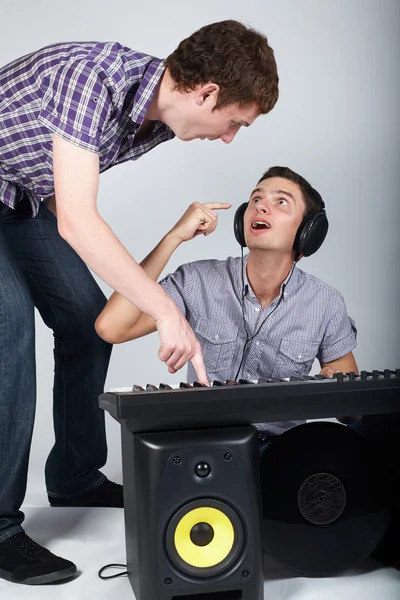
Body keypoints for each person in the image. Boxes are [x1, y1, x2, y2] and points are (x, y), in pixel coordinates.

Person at [0, 21, 279, 585]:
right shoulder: (91, 79)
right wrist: (167, 311)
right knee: (9, 334)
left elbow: (60, 188)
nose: (228, 138)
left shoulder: (153, 122)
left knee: (86, 320)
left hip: (21, 198)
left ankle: (75, 476)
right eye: (233, 124)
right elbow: (80, 218)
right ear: (206, 94)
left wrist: (92, 270)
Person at [96, 166, 359, 439]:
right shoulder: (197, 280)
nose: (261, 208)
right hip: (204, 449)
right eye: (256, 199)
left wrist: (334, 385)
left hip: (282, 457)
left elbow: (352, 413)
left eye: (281, 202)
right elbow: (111, 327)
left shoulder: (326, 304)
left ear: (308, 232)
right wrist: (173, 238)